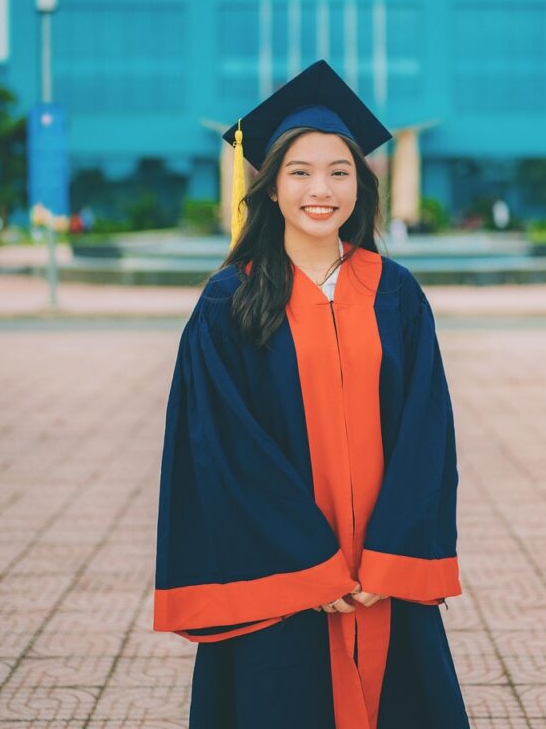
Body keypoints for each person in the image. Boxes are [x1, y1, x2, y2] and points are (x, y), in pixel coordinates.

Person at [154, 60, 470, 729]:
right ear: (269, 189)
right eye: (299, 172)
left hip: (383, 574)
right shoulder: (229, 302)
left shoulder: (397, 294)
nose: (320, 190)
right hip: (286, 580)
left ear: (362, 184)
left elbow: (426, 435)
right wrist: (312, 566)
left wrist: (388, 559)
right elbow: (224, 449)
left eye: (339, 171)